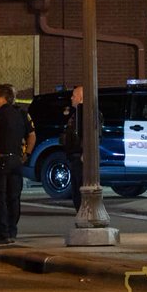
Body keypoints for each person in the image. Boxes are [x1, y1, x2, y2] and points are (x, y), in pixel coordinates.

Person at [0, 83, 35, 244]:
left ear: (3, 98)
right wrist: (27, 154)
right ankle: (11, 231)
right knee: (13, 198)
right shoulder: (22, 113)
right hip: (16, 161)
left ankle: (1, 234)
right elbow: (32, 136)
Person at [62, 85, 85, 213]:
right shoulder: (76, 114)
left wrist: (85, 153)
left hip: (80, 157)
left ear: (81, 97)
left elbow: (90, 134)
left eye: (74, 95)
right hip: (73, 156)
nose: (71, 98)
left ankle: (83, 213)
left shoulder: (86, 113)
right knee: (76, 188)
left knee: (81, 188)